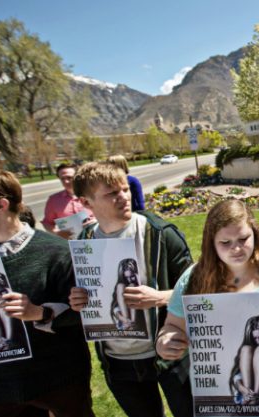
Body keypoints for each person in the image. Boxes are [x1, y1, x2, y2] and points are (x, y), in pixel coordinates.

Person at [156, 199, 259, 417]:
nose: (236, 248)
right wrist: (165, 340)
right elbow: (171, 326)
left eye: (243, 239)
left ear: (255, 233)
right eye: (225, 242)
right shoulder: (193, 279)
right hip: (223, 401)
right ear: (211, 242)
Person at [0, 168, 94, 417]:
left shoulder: (58, 252)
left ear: (0, 205)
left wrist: (41, 313)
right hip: (1, 384)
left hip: (61, 378)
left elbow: (87, 315)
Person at [67, 162, 194, 417]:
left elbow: (199, 292)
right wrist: (77, 298)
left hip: (170, 356)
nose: (123, 197)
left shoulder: (160, 234)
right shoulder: (83, 243)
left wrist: (159, 297)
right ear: (86, 203)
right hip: (118, 363)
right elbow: (81, 295)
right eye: (111, 193)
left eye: (124, 189)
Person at [41, 163, 95, 239]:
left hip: (96, 238)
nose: (66, 181)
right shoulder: (53, 200)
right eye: (62, 178)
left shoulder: (93, 195)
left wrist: (96, 221)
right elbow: (47, 223)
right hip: (71, 244)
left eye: (69, 177)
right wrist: (56, 232)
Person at [230, 316, 259, 406]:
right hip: (248, 391)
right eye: (254, 338)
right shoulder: (249, 349)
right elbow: (237, 374)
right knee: (246, 349)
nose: (258, 341)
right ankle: (250, 397)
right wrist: (241, 387)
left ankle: (255, 397)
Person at [111, 258, 146, 331]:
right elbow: (115, 307)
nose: (129, 280)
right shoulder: (122, 286)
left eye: (132, 276)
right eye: (126, 277)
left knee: (132, 286)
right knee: (120, 286)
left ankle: (133, 323)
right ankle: (128, 323)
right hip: (125, 319)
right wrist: (121, 318)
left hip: (140, 316)